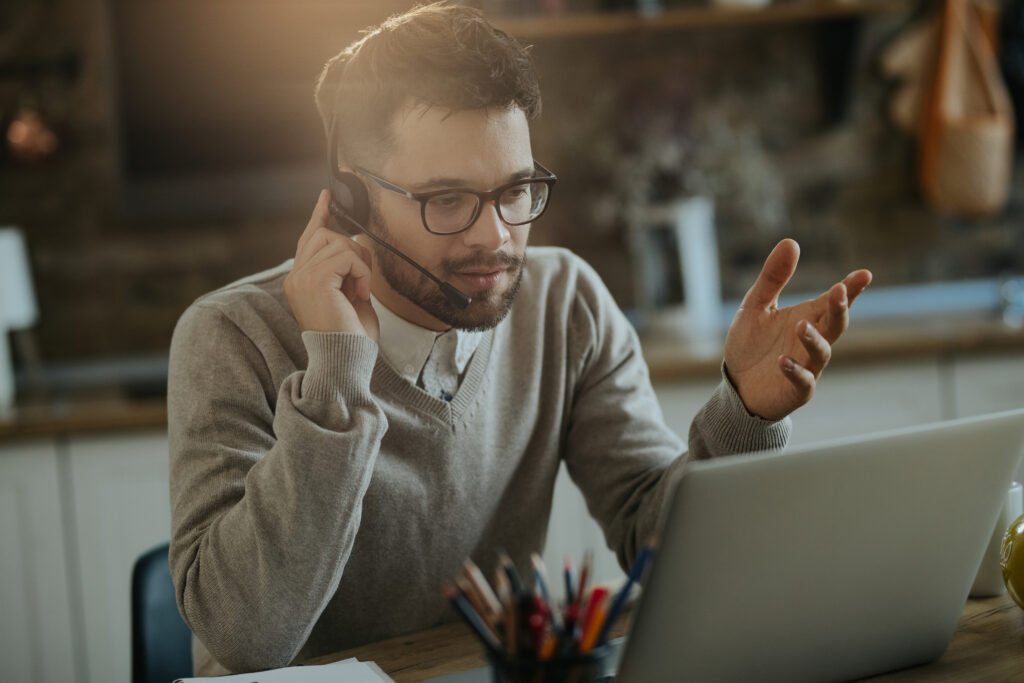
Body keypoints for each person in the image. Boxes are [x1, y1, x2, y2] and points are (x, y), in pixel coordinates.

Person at [167, 2, 873, 676]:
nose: (496, 237)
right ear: (353, 196)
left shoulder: (564, 302)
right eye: (447, 200)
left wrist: (745, 410)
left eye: (516, 190)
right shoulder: (231, 336)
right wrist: (337, 380)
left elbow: (659, 538)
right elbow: (246, 636)